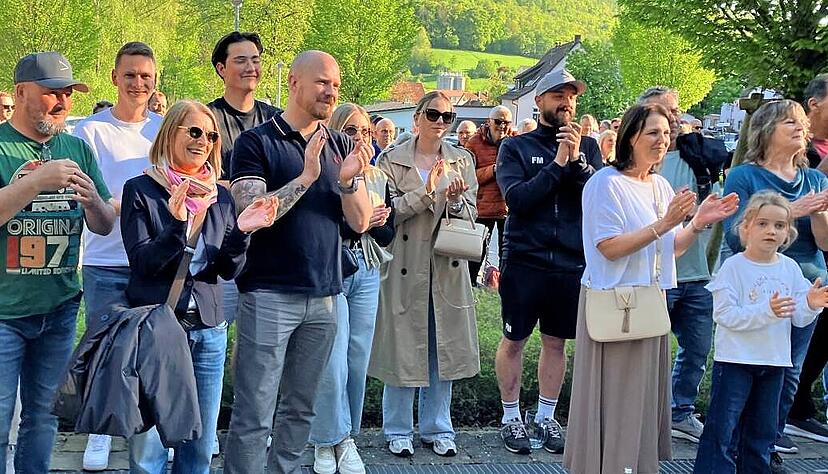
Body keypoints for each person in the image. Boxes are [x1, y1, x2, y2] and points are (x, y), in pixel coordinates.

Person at [563, 102, 738, 474]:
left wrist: (696, 223)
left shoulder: (659, 185)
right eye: (653, 133)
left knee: (640, 402)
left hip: (648, 303)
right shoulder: (604, 184)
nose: (663, 140)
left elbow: (670, 248)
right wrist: (665, 222)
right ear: (630, 138)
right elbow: (607, 247)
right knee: (615, 400)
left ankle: (631, 466)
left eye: (666, 132)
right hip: (615, 305)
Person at [224, 50, 373, 474]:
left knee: (300, 411)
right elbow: (250, 214)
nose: (331, 91)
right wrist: (307, 177)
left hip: (326, 295)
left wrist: (348, 181)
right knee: (254, 413)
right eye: (323, 82)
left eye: (336, 85)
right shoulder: (256, 142)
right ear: (293, 82)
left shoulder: (341, 144)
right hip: (269, 293)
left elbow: (360, 222)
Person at [121, 100, 278, 474]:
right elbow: (144, 264)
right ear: (169, 133)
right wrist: (176, 225)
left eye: (210, 136)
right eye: (194, 132)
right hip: (158, 329)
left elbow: (227, 269)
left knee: (200, 444)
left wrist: (242, 232)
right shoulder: (141, 190)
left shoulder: (219, 197)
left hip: (208, 329)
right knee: (149, 448)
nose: (203, 142)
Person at [0, 51, 115, 473]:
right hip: (5, 310)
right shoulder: (0, 145)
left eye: (67, 93)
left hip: (59, 307)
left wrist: (94, 204)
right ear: (21, 93)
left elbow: (103, 224)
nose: (62, 102)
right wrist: (37, 181)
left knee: (43, 418)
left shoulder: (76, 148)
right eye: (51, 93)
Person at [494, 69, 602, 455]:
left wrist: (575, 163)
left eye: (572, 96)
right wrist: (556, 163)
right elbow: (518, 200)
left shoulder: (588, 148)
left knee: (556, 344)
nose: (567, 102)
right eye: (558, 95)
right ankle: (511, 417)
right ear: (538, 101)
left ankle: (545, 416)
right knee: (514, 340)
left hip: (570, 264)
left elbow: (597, 196)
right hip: (525, 261)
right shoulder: (516, 148)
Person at [369, 90, 479, 458]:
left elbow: (473, 216)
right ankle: (397, 428)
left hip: (445, 265)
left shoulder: (461, 160)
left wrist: (455, 200)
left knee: (441, 347)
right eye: (433, 114)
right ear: (416, 118)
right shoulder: (390, 160)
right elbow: (385, 212)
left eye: (447, 117)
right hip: (404, 264)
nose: (440, 123)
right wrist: (427, 191)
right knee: (403, 346)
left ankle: (438, 426)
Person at [722, 100, 828, 469]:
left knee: (789, 371)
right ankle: (735, 447)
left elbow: (825, 244)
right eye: (789, 122)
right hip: (756, 284)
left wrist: (818, 213)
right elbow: (736, 239)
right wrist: (790, 212)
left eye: (801, 122)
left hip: (806, 286)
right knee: (748, 371)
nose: (800, 128)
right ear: (766, 131)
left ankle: (767, 445)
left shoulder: (816, 180)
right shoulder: (744, 177)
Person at [73, 41, 163, 472]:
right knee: (106, 352)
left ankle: (148, 438)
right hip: (106, 260)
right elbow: (86, 196)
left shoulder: (164, 130)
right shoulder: (89, 131)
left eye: (146, 76)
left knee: (149, 356)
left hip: (155, 262)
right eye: (130, 75)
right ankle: (100, 434)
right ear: (115, 77)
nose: (138, 83)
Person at [694, 192, 827, 473]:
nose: (771, 231)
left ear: (787, 233)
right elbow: (725, 316)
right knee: (722, 430)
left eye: (779, 226)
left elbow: (799, 318)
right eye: (763, 223)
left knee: (762, 434)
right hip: (735, 363)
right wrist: (767, 311)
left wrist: (812, 305)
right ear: (746, 227)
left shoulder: (790, 268)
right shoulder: (733, 267)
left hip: (774, 363)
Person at [310, 103, 395, 474]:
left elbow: (388, 234)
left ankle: (347, 437)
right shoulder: (323, 172)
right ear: (334, 132)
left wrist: (375, 222)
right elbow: (327, 226)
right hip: (334, 266)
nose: (359, 138)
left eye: (365, 131)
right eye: (351, 131)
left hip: (367, 268)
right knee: (332, 360)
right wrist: (358, 223)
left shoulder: (377, 176)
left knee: (357, 358)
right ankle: (326, 440)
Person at [639, 86, 720, 443]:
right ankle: (642, 416)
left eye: (675, 110)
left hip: (696, 272)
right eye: (662, 111)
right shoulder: (642, 166)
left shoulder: (695, 155)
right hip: (656, 276)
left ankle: (680, 412)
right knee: (648, 353)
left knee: (698, 348)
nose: (671, 117)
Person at [788, 74, 828, 443]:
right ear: (814, 104)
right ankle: (793, 409)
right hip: (797, 262)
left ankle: (800, 405)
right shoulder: (802, 151)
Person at [207, 31, 280, 186]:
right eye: (241, 61)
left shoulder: (276, 119)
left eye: (255, 60)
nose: (250, 68)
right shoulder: (206, 119)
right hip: (220, 208)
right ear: (221, 69)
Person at [465, 105, 511, 286]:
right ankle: (470, 285)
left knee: (506, 252)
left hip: (507, 206)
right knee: (476, 252)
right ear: (489, 122)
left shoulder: (516, 140)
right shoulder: (474, 142)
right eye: (498, 122)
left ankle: (504, 287)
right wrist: (493, 170)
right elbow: (468, 176)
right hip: (482, 207)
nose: (502, 126)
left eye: (506, 122)